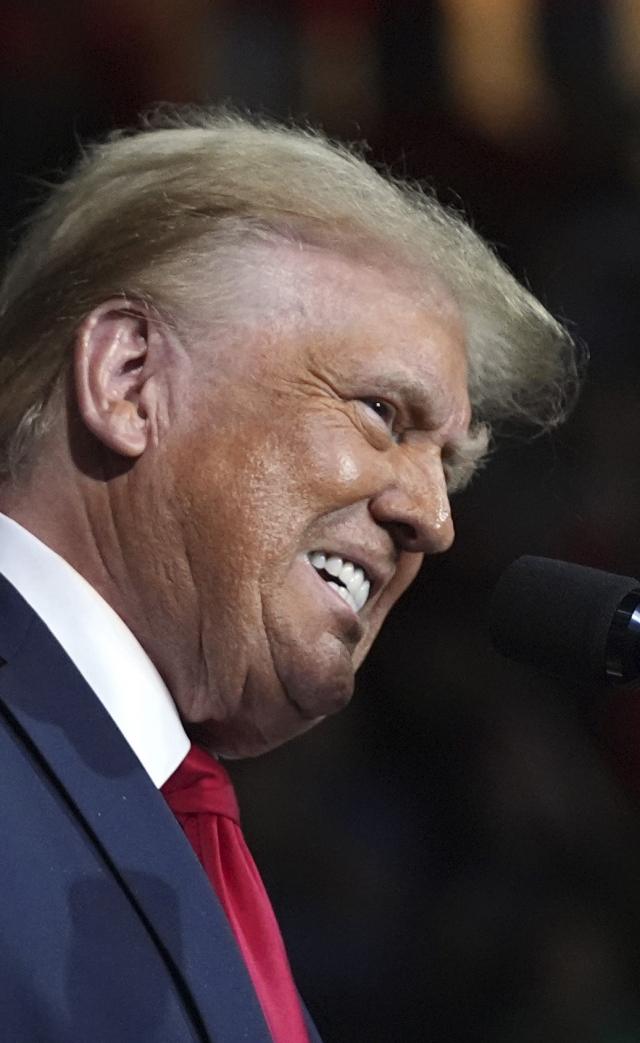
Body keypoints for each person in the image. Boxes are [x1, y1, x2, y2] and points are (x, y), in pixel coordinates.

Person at [0, 109, 577, 1042]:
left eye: (451, 464)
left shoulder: (184, 851)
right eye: (383, 411)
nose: (434, 520)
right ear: (130, 377)